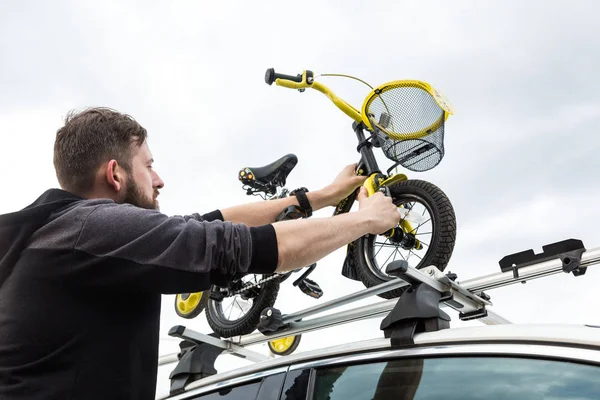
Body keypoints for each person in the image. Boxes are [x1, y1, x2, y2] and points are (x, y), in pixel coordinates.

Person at [0, 107, 400, 400]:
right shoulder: (92, 230)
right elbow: (237, 247)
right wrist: (366, 221)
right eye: (148, 166)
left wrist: (324, 196)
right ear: (115, 174)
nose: (159, 180)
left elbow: (212, 220)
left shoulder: (68, 234)